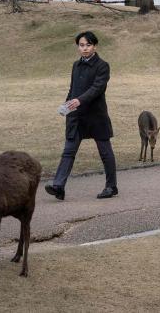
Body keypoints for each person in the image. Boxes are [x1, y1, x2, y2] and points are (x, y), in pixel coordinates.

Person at [45, 31, 118, 201]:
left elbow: (97, 88)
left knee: (105, 152)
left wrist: (79, 100)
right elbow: (72, 89)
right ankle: (58, 186)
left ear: (95, 46)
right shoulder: (75, 66)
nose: (84, 48)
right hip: (76, 117)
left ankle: (111, 186)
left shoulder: (103, 66)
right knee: (68, 151)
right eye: (81, 45)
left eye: (88, 45)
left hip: (96, 116)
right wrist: (66, 106)